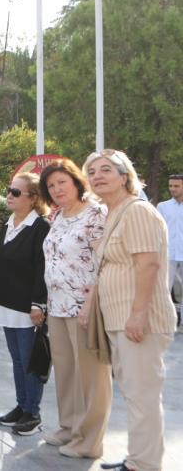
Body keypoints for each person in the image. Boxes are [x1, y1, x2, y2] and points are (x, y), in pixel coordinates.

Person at [84, 149, 176, 471]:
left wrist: (138, 314)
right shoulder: (114, 213)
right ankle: (138, 458)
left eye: (106, 169)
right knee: (135, 394)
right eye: (92, 171)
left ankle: (144, 464)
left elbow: (148, 264)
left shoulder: (137, 211)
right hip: (119, 318)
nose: (97, 176)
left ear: (125, 177)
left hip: (139, 320)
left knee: (142, 395)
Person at [39, 158, 109, 459]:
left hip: (85, 306)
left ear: (77, 182)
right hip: (57, 304)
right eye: (51, 186)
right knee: (66, 371)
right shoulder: (57, 216)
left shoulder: (96, 214)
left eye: (62, 182)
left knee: (90, 376)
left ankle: (90, 440)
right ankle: (68, 426)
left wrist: (91, 303)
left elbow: (104, 262)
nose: (57, 189)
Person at [0, 173, 50, 436]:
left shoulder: (40, 227)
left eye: (15, 192)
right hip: (5, 301)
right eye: (9, 190)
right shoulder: (9, 223)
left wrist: (38, 304)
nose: (9, 196)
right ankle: (21, 405)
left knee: (29, 361)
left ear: (33, 198)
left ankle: (32, 412)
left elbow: (42, 267)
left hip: (27, 305)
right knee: (16, 359)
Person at [157, 173, 182, 322]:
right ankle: (165, 322)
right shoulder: (163, 207)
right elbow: (157, 231)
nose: (172, 189)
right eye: (171, 186)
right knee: (164, 290)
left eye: (176, 186)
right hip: (168, 256)